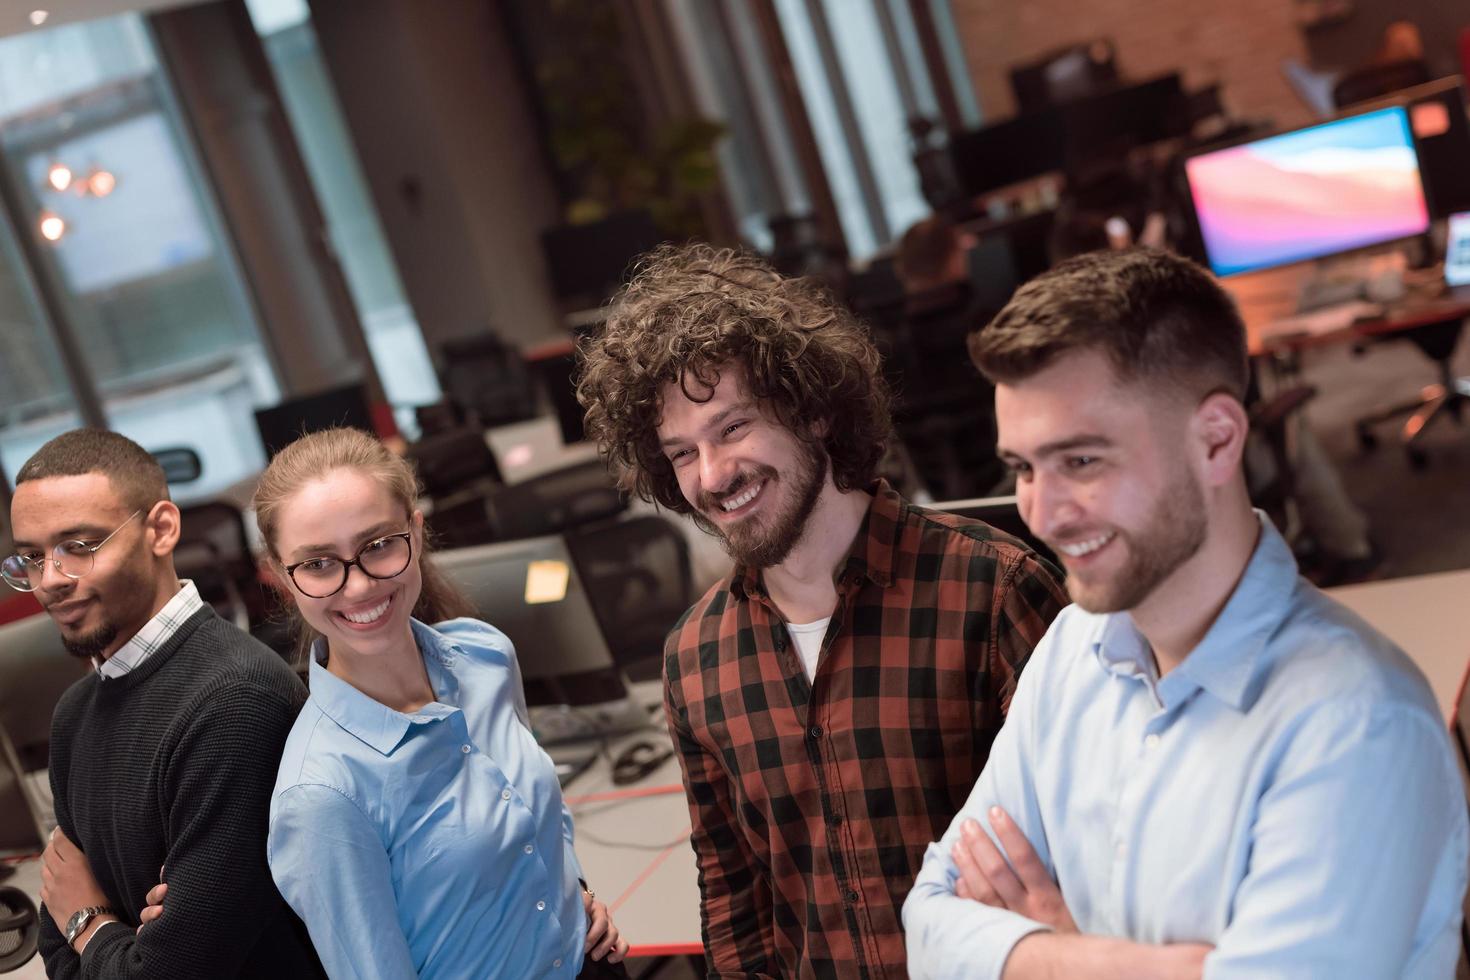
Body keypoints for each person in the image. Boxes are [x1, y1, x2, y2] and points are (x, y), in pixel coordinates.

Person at [903, 248, 1468, 978]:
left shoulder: (1355, 723)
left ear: (1217, 440)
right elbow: (926, 925)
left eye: (1080, 462)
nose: (1040, 513)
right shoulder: (1071, 647)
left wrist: (1029, 953)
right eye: (1022, 467)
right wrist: (1119, 964)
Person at [576, 243, 1067, 977]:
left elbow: (1094, 851)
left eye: (733, 427)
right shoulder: (696, 657)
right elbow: (735, 903)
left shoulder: (992, 590)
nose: (712, 477)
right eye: (681, 453)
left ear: (811, 413)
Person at [235, 427, 624, 979]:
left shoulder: (485, 655)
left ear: (415, 532)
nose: (358, 586)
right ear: (279, 577)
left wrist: (574, 895)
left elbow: (535, 816)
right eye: (319, 564)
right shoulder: (321, 792)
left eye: (377, 546)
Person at [3, 429, 321, 977]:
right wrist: (107, 936)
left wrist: (90, 921)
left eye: (79, 547)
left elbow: (163, 972)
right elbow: (58, 939)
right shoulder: (75, 714)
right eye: (31, 557)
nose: (49, 580)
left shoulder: (234, 704)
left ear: (161, 530)